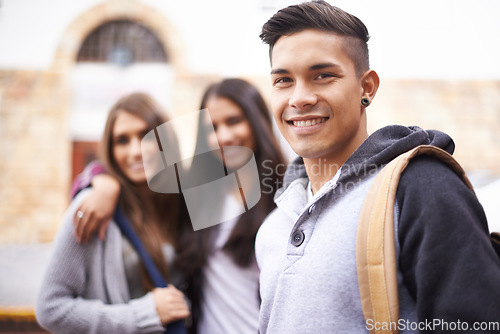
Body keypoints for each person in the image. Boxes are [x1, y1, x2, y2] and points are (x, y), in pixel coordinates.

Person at [254, 1, 500, 333]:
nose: (300, 97)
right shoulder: (274, 224)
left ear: (366, 88)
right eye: (283, 80)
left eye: (322, 75)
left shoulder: (421, 187)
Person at [69, 78, 286, 333]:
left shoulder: (286, 198)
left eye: (234, 121)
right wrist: (103, 181)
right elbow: (128, 173)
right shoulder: (197, 193)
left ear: (257, 122)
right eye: (212, 128)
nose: (224, 136)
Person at [35, 93, 191, 333]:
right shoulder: (94, 206)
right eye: (122, 140)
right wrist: (145, 315)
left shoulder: (181, 202)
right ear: (110, 148)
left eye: (145, 135)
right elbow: (50, 308)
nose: (135, 151)